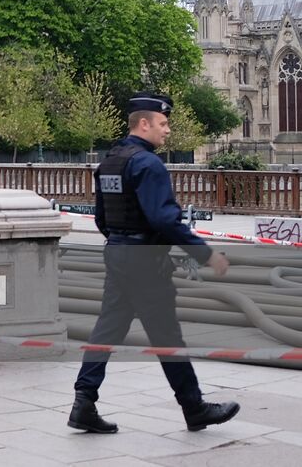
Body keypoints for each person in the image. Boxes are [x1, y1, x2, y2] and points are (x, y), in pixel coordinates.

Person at [69, 92, 240, 434]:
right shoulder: (148, 165)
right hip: (145, 261)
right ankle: (194, 408)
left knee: (107, 329)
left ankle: (83, 402)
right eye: (163, 124)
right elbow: (164, 220)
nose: (168, 131)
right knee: (166, 334)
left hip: (118, 254)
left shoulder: (110, 162)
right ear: (144, 124)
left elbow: (102, 218)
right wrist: (206, 253)